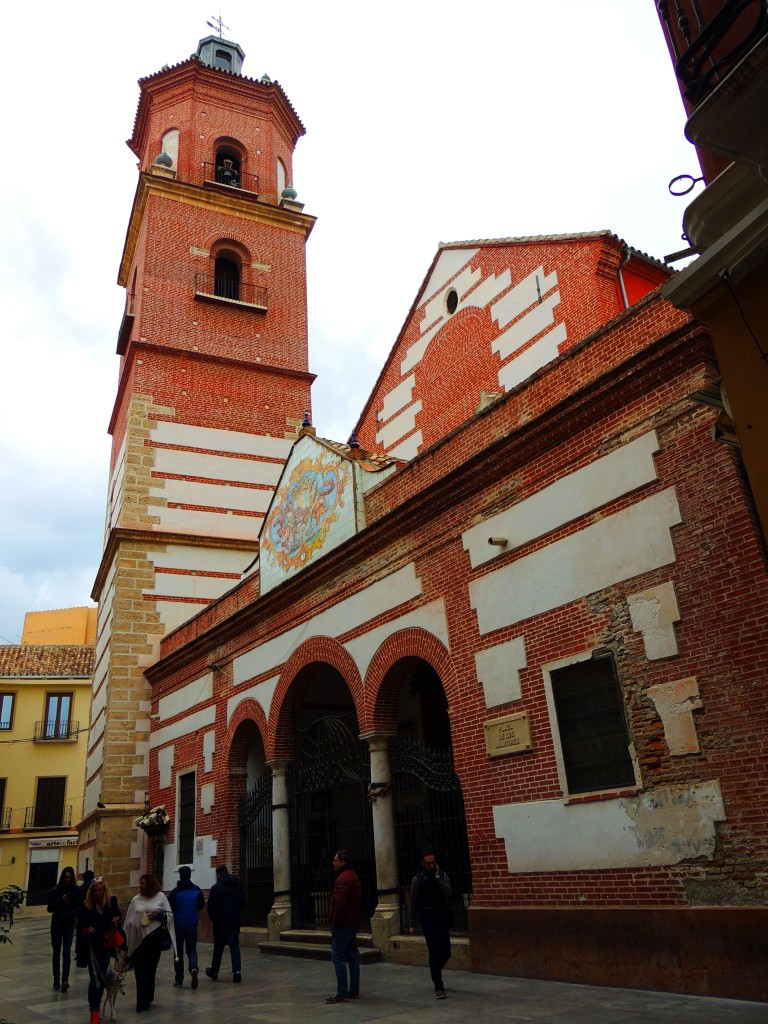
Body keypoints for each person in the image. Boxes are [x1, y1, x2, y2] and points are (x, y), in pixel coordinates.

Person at [123, 874, 176, 1012]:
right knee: (140, 971)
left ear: (150, 885)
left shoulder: (160, 897)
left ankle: (148, 996)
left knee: (150, 970)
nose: (140, 886)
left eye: (143, 883)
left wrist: (158, 915)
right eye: (139, 883)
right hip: (140, 942)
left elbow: (169, 915)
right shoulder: (136, 899)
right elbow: (129, 920)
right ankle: (141, 1002)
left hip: (154, 940)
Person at [76, 876, 123, 1024]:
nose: (97, 893)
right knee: (95, 978)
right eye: (95, 890)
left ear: (104, 890)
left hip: (106, 945)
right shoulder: (86, 906)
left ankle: (96, 1005)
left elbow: (118, 915)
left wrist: (115, 919)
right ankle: (94, 1011)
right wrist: (87, 930)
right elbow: (80, 925)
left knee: (102, 978)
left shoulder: (110, 902)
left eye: (100, 890)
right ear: (91, 891)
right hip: (92, 945)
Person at [409, 851, 452, 999]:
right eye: (429, 863)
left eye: (433, 862)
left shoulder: (442, 875)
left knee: (446, 952)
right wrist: (412, 923)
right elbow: (413, 902)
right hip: (427, 920)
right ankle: (438, 987)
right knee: (434, 952)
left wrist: (438, 877)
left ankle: (435, 971)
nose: (432, 865)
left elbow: (448, 893)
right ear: (423, 863)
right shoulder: (418, 880)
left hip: (441, 918)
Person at [325, 850, 361, 1004]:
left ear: (343, 862)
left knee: (338, 957)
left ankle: (342, 992)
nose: (333, 863)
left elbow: (340, 905)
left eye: (335, 860)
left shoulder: (342, 880)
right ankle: (354, 990)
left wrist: (334, 922)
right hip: (353, 923)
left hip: (343, 924)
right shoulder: (353, 876)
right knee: (352, 956)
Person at [205, 865, 245, 983]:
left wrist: (214, 919)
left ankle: (215, 971)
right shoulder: (238, 886)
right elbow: (243, 903)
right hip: (234, 921)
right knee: (234, 945)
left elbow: (211, 907)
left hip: (220, 922)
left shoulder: (216, 888)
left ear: (218, 875)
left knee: (218, 947)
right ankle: (237, 971)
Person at [169, 865, 205, 988]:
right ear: (190, 875)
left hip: (178, 925)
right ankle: (193, 967)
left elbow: (170, 908)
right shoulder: (197, 890)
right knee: (191, 950)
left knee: (178, 953)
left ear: (180, 875)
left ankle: (179, 979)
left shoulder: (175, 892)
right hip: (192, 925)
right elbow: (201, 905)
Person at [47, 865, 78, 991]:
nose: (67, 880)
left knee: (66, 952)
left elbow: (78, 906)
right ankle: (56, 980)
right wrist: (61, 900)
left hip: (69, 926)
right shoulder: (55, 890)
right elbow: (50, 908)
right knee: (56, 953)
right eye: (66, 877)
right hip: (56, 926)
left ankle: (65, 980)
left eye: (70, 877)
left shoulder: (75, 891)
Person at [74, 870, 95, 969]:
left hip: (80, 913)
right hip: (89, 913)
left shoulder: (80, 888)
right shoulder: (92, 888)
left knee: (80, 933)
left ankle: (79, 952)